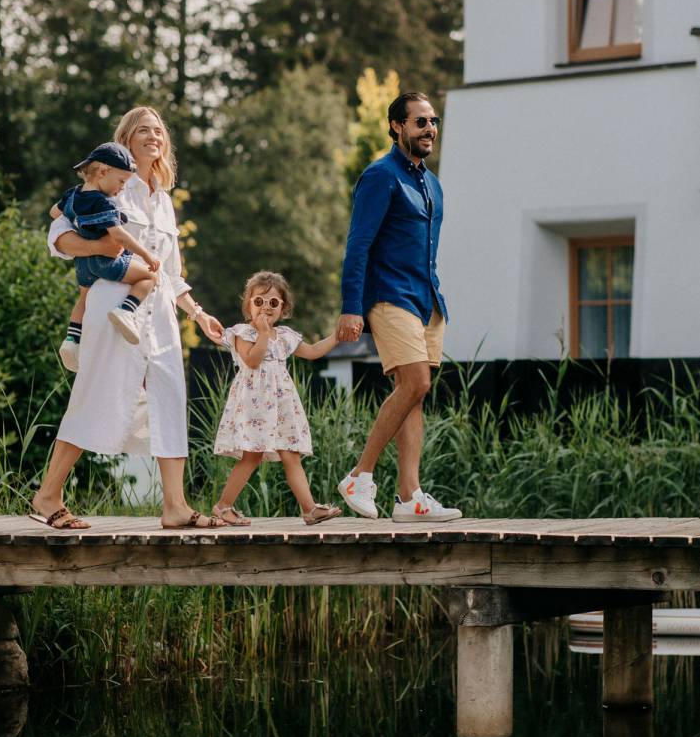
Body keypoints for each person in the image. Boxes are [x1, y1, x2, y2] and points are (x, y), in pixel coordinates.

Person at [30, 106, 227, 531]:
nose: (153, 135)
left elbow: (170, 274)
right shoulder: (109, 183)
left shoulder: (164, 200)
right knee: (95, 392)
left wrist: (199, 313)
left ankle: (174, 505)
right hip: (112, 305)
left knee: (171, 395)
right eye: (143, 130)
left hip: (159, 317)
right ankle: (47, 495)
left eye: (158, 130)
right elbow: (58, 237)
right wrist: (100, 249)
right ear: (126, 139)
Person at [335, 91, 462, 524]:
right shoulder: (380, 176)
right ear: (396, 126)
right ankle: (359, 476)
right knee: (415, 383)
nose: (430, 129)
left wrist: (436, 298)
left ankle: (410, 497)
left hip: (427, 300)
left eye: (434, 122)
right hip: (389, 296)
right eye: (420, 122)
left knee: (415, 396)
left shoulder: (432, 183)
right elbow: (358, 246)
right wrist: (352, 307)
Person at [211, 270, 343, 526]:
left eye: (273, 302)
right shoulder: (242, 333)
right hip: (254, 404)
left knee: (291, 453)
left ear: (283, 307)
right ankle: (223, 506)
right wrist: (261, 333)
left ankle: (309, 509)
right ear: (248, 305)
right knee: (252, 455)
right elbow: (252, 360)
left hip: (281, 404)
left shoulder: (284, 336)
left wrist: (337, 335)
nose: (266, 307)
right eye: (258, 301)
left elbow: (314, 352)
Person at [52, 141, 161, 371]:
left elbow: (54, 213)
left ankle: (72, 340)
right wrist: (146, 255)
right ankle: (125, 311)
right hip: (105, 262)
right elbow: (119, 237)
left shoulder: (72, 195)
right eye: (121, 181)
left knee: (83, 298)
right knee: (150, 278)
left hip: (82, 265)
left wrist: (76, 224)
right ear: (103, 172)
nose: (121, 188)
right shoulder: (103, 202)